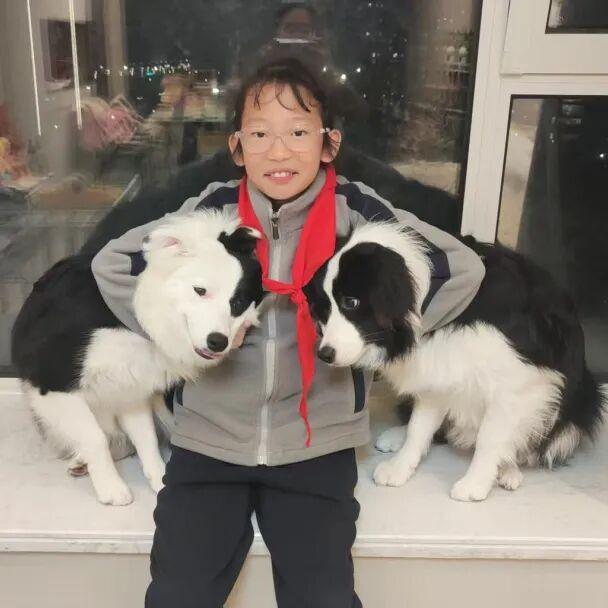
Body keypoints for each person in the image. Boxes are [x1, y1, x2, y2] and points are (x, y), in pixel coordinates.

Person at [91, 58, 484, 608]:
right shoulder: (212, 212)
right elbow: (114, 264)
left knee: (324, 598)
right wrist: (182, 339)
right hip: (208, 440)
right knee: (178, 594)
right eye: (260, 135)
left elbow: (459, 268)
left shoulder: (357, 211)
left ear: (328, 143)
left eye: (298, 132)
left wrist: (374, 339)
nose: (279, 151)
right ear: (237, 147)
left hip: (317, 445)